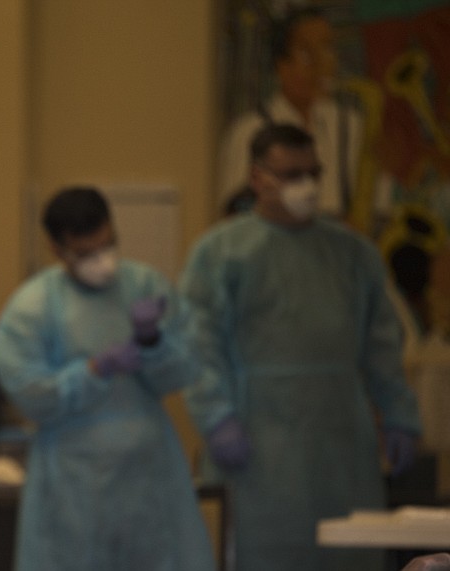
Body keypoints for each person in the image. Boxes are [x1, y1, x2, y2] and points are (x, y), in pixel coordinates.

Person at [177, 123, 422, 571]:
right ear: (257, 179)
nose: (305, 186)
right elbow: (197, 344)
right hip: (257, 450)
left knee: (348, 552)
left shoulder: (353, 254)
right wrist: (217, 418)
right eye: (291, 174)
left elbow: (382, 343)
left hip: (342, 449)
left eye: (313, 172)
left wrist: (399, 413)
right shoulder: (220, 253)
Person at [0, 187, 216, 571]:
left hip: (149, 473)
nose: (103, 261)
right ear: (57, 249)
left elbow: (184, 371)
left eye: (108, 244)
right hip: (71, 482)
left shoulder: (145, 287)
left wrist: (154, 343)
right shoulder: (33, 308)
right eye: (86, 253)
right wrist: (93, 371)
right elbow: (29, 393)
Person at [217, 6, 361, 217]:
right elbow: (234, 217)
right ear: (281, 65)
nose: (322, 63)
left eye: (327, 48)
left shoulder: (351, 125)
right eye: (306, 53)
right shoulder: (249, 131)